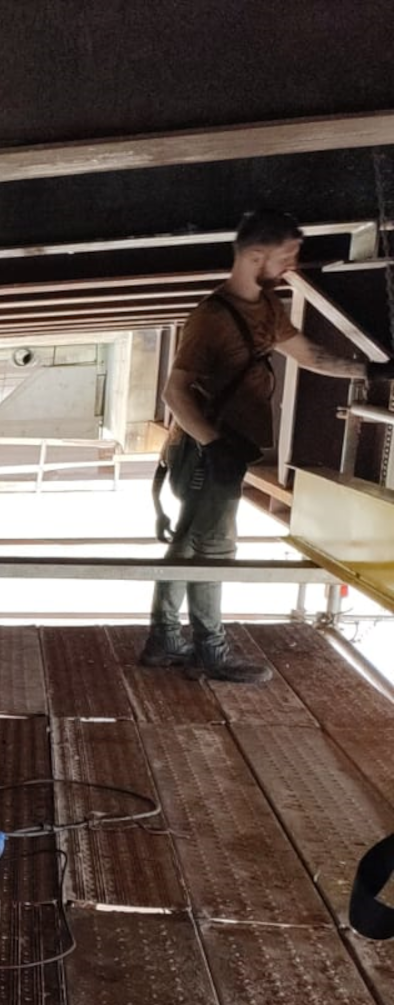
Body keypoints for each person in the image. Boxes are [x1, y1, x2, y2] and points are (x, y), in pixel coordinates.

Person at [145, 209, 391, 682]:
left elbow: (309, 355)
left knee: (193, 544)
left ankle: (166, 640)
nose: (290, 265)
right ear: (256, 256)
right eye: (286, 256)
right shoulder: (213, 317)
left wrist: (370, 372)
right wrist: (214, 445)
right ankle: (205, 649)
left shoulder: (265, 306)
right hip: (207, 451)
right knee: (210, 548)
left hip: (222, 449)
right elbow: (174, 392)